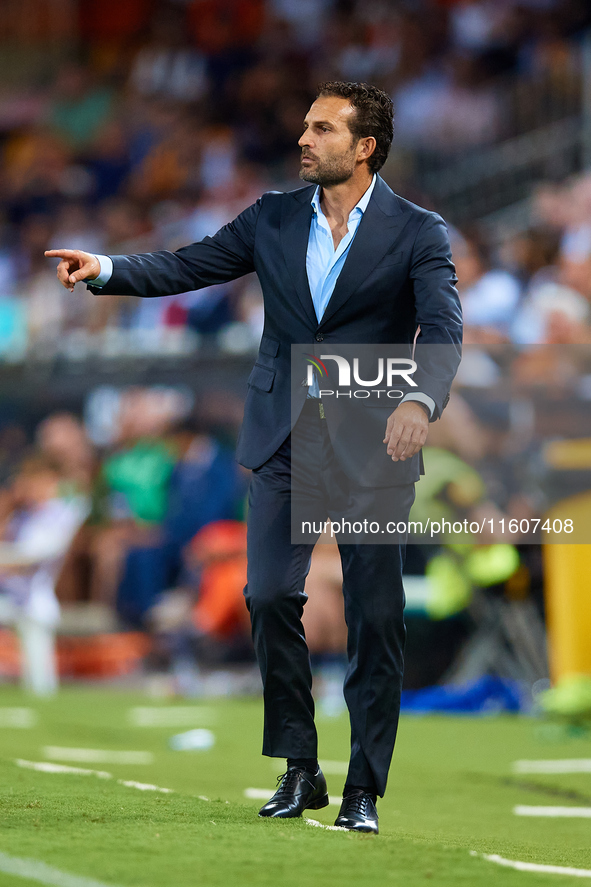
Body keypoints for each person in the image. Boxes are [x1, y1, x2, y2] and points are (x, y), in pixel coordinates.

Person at [46, 81, 462, 834]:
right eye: (304, 125)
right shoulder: (271, 216)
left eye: (323, 128)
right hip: (285, 436)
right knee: (268, 595)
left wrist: (417, 402)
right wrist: (104, 268)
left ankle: (363, 785)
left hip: (374, 444)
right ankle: (299, 765)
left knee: (374, 613)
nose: (303, 138)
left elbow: (441, 329)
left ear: (364, 146)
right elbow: (188, 265)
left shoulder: (417, 231)